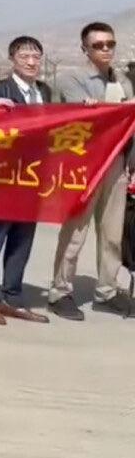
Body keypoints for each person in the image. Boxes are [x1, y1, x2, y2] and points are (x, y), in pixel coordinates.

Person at [48, 21, 135, 319]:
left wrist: (131, 164)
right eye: (98, 45)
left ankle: (107, 291)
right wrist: (118, 107)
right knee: (75, 232)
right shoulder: (71, 79)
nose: (105, 49)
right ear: (84, 48)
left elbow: (129, 126)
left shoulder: (123, 81)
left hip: (115, 164)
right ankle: (60, 291)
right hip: (84, 165)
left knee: (112, 233)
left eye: (110, 44)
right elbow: (86, 119)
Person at [0, 36, 53, 325]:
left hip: (33, 176)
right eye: (24, 57)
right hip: (3, 177)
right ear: (12, 60)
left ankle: (13, 296)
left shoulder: (45, 91)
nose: (31, 62)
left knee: (23, 237)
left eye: (36, 57)